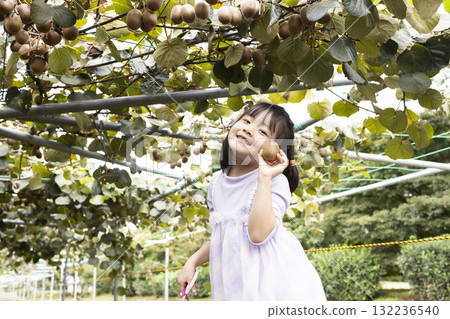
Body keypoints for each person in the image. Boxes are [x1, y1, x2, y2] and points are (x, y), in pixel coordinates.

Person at [178, 102, 326, 301]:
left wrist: (264, 176)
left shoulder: (275, 181)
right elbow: (222, 235)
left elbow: (257, 235)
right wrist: (192, 261)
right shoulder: (216, 182)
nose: (248, 129)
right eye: (246, 121)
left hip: (272, 283)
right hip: (234, 281)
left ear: (276, 149)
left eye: (263, 132)